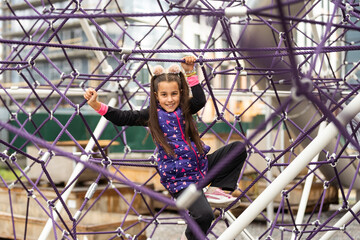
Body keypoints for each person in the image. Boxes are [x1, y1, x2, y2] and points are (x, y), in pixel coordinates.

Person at [84, 56, 247, 240]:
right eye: (164, 95)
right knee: (205, 215)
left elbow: (200, 100)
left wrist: (190, 71)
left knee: (238, 148)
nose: (170, 100)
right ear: (156, 96)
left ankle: (216, 189)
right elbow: (123, 117)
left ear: (180, 93)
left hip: (200, 165)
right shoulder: (152, 115)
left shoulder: (184, 109)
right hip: (181, 180)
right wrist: (97, 105)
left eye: (174, 94)